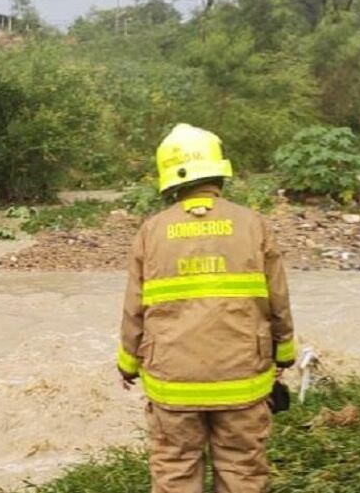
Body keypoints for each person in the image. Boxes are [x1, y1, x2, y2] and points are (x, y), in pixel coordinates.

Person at [118, 123, 295, 493]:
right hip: (243, 380)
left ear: (170, 178)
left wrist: (128, 363)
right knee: (242, 472)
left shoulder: (152, 231)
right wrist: (285, 355)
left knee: (175, 471)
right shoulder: (252, 224)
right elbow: (278, 300)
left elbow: (135, 307)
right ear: (218, 171)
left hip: (173, 385)